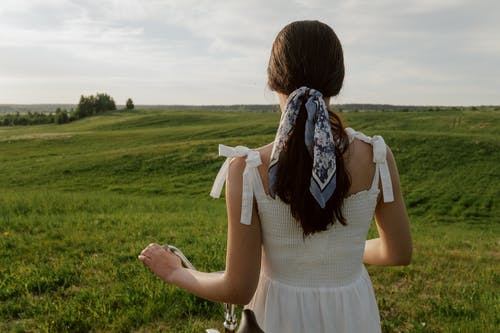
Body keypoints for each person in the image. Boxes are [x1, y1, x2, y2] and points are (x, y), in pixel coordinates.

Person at [139, 20, 412, 332]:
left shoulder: (247, 169)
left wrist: (175, 272)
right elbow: (398, 252)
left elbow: (238, 287)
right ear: (337, 81)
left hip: (277, 317)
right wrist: (343, 250)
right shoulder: (377, 156)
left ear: (273, 81)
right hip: (353, 315)